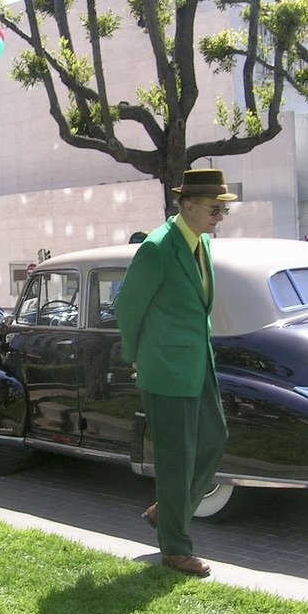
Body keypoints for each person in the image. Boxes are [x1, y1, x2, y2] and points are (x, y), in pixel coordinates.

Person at [114, 168, 233, 577]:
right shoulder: (158, 248)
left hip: (198, 364)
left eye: (223, 209)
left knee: (215, 438)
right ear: (187, 206)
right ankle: (175, 549)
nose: (220, 216)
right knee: (175, 458)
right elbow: (127, 306)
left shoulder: (199, 243)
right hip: (165, 368)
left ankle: (167, 511)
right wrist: (135, 356)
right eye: (215, 209)